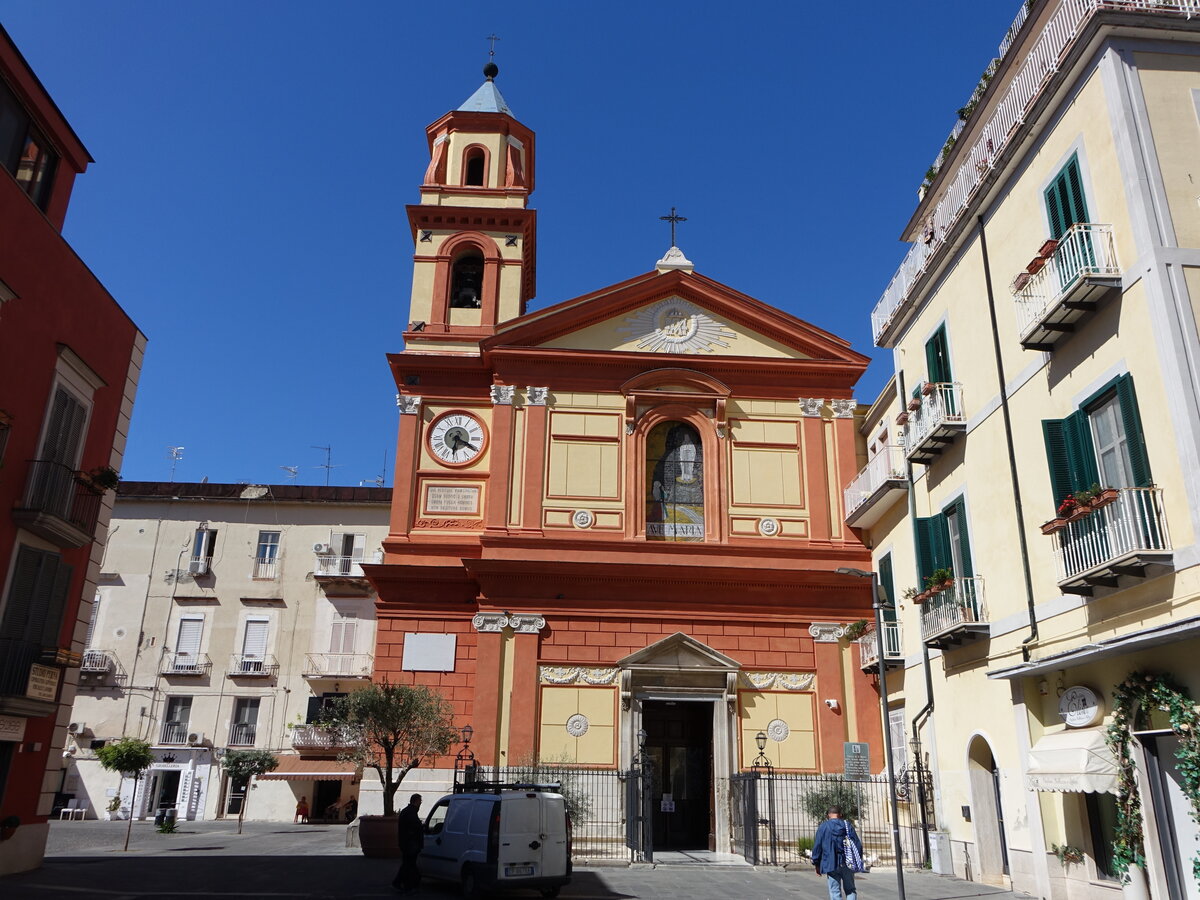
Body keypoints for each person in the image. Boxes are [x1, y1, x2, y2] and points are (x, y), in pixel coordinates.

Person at [811, 805, 863, 900]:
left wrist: (816, 863)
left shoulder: (823, 827)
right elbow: (857, 844)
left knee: (835, 891)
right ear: (841, 814)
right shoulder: (847, 825)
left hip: (831, 863)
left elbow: (817, 847)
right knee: (850, 889)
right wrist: (858, 860)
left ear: (828, 815)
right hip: (848, 862)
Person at [392, 793, 424, 895]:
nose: (420, 803)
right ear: (416, 801)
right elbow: (414, 827)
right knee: (409, 865)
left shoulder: (408, 811)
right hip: (410, 843)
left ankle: (399, 882)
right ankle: (408, 885)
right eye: (420, 801)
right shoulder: (411, 813)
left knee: (407, 864)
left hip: (407, 843)